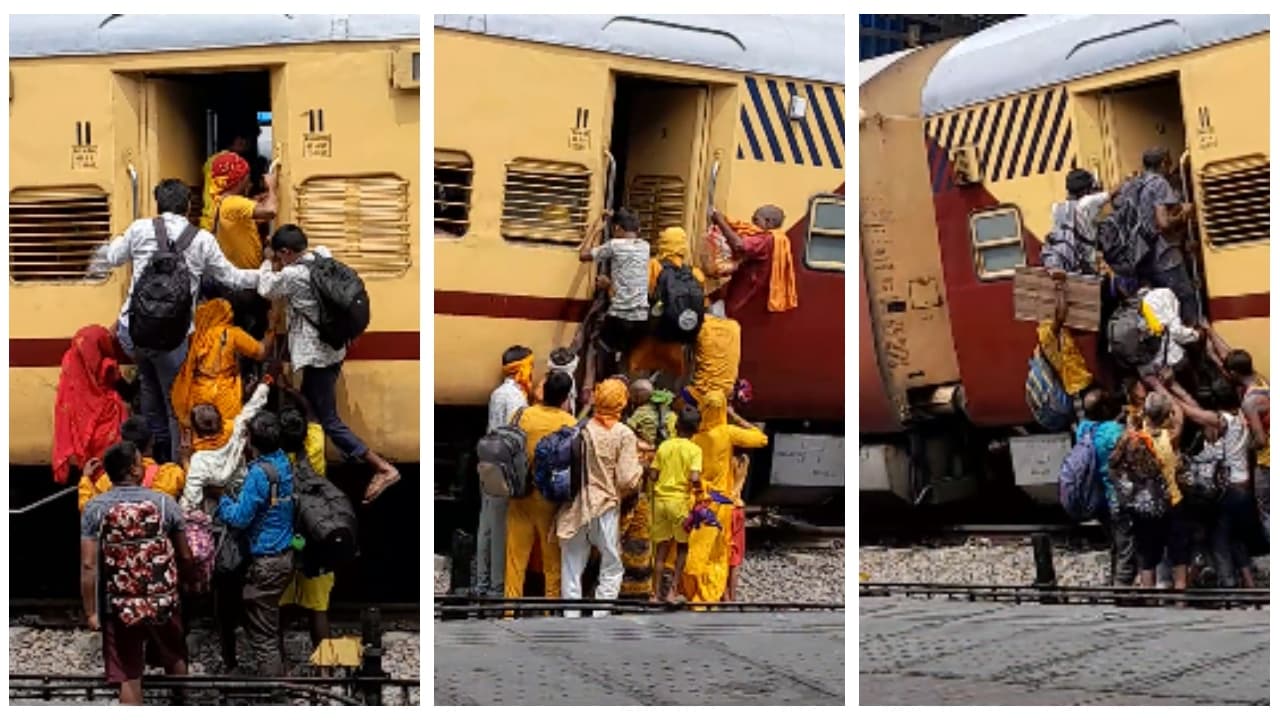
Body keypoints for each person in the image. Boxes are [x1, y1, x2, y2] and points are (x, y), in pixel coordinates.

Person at [88, 179, 260, 463]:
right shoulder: (202, 239)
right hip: (174, 339)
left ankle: (153, 464)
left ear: (158, 204)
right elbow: (232, 277)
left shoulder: (140, 228)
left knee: (149, 396)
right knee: (176, 406)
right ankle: (173, 467)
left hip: (137, 334)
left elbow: (113, 257)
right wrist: (265, 274)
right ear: (188, 206)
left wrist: (116, 244)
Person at [257, 224, 400, 503]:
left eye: (279, 254)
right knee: (308, 407)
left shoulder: (294, 275)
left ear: (286, 252)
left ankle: (381, 467)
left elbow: (265, 287)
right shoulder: (322, 256)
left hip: (317, 355)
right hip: (334, 349)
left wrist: (266, 261)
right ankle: (306, 469)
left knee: (328, 419)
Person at [80, 441, 193, 705]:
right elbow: (185, 554)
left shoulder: (95, 509)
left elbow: (88, 565)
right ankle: (181, 704)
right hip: (162, 598)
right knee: (174, 655)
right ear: (132, 470)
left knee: (129, 671)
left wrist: (91, 611)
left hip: (120, 604)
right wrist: (184, 585)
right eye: (140, 461)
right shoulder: (165, 503)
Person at [207, 411, 294, 676]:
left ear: (251, 441)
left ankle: (275, 695)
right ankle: (279, 677)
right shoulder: (282, 462)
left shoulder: (258, 474)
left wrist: (220, 498)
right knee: (268, 622)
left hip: (265, 561)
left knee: (264, 637)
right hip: (285, 554)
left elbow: (240, 518)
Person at [555, 378, 644, 616]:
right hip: (605, 508)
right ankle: (600, 616)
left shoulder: (581, 427)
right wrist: (640, 470)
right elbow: (627, 480)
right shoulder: (623, 434)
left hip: (575, 506)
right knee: (612, 566)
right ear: (621, 403)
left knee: (572, 568)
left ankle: (570, 618)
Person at [1164, 380, 1255, 588]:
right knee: (1236, 540)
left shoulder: (1223, 422)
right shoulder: (1240, 416)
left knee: (1218, 539)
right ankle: (1250, 587)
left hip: (1229, 490)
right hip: (1243, 488)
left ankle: (1228, 586)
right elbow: (1195, 407)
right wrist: (1173, 386)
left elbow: (1191, 410)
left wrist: (1165, 392)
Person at [683, 390, 768, 604]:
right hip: (721, 504)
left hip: (698, 500)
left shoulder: (695, 438)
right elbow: (761, 438)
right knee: (716, 552)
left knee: (697, 548)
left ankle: (692, 590)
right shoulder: (727, 432)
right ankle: (709, 595)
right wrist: (734, 416)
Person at [506, 370, 577, 599]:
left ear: (542, 392)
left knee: (515, 559)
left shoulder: (520, 415)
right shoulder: (569, 423)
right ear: (566, 398)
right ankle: (550, 608)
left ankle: (508, 608)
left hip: (520, 494)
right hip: (550, 500)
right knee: (552, 561)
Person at [170, 299, 272, 443]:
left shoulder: (195, 336)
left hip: (198, 393)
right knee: (227, 435)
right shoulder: (232, 334)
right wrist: (272, 332)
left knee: (201, 434)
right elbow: (261, 352)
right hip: (225, 394)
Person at [476, 345, 533, 598]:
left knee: (486, 525)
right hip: (504, 467)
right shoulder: (516, 398)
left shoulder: (498, 393)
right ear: (521, 368)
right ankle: (497, 588)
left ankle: (482, 583)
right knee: (500, 528)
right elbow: (515, 438)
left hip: (487, 461)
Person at [277, 403, 336, 649]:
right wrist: (294, 394)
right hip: (315, 538)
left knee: (278, 607)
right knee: (318, 609)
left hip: (286, 538)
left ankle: (281, 668)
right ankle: (323, 671)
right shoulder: (315, 445)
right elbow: (312, 414)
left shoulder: (277, 462)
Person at [1207, 332, 1269, 542]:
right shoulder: (1263, 382)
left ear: (1233, 373)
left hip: (1267, 463)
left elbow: (1261, 440)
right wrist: (1211, 334)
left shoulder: (1249, 402)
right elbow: (1230, 356)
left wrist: (1244, 442)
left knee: (1268, 513)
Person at [629, 226, 708, 382]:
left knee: (639, 387)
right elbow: (702, 308)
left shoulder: (652, 267)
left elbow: (634, 295)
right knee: (666, 391)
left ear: (663, 243)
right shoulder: (696, 274)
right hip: (676, 344)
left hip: (649, 339)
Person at [55, 325, 131, 486]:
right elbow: (129, 393)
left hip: (82, 434)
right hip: (107, 428)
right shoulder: (107, 365)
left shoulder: (70, 363)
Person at [181, 381, 271, 513]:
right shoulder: (236, 430)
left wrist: (185, 460)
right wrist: (265, 384)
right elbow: (253, 407)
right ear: (222, 422)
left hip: (217, 508)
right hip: (242, 492)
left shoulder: (198, 460)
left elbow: (191, 500)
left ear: (197, 433)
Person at [1134, 147, 1199, 324]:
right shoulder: (1159, 183)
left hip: (1145, 257)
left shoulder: (1138, 183)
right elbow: (1163, 223)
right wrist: (1184, 212)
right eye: (1169, 163)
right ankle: (1192, 344)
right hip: (1165, 256)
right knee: (1185, 300)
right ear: (1163, 163)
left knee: (1162, 308)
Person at [578, 208, 650, 362]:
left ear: (617, 228)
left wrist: (596, 229)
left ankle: (591, 385)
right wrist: (610, 283)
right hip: (641, 319)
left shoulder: (614, 245)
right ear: (638, 230)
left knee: (594, 345)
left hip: (620, 317)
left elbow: (583, 255)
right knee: (626, 357)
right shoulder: (645, 246)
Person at [1077, 388, 1133, 585]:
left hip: (1096, 497)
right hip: (1115, 496)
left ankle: (1113, 579)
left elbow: (1103, 429)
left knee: (1115, 541)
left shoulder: (1083, 429)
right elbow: (1126, 440)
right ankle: (1122, 587)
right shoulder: (1115, 431)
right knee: (1126, 543)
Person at [650, 406, 704, 602]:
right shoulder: (695, 450)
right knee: (682, 546)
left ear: (677, 425)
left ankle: (654, 594)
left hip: (660, 501)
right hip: (679, 502)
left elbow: (654, 474)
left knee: (661, 549)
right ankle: (672, 591)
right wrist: (699, 491)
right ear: (697, 428)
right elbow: (695, 476)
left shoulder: (664, 446)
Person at [81, 417, 187, 512]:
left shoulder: (107, 480)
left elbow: (88, 509)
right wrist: (186, 459)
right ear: (152, 440)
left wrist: (85, 480)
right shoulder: (171, 474)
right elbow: (193, 486)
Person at [709, 205, 798, 317]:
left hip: (740, 303)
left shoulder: (767, 240)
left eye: (756, 220)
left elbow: (739, 245)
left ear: (768, 222)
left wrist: (720, 221)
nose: (752, 223)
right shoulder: (779, 240)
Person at [1043, 169, 1117, 274]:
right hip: (1083, 264)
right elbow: (1113, 192)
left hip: (1064, 261)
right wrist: (1129, 179)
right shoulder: (1086, 203)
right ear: (1086, 190)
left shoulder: (1057, 208)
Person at [200, 126, 258, 232]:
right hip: (221, 220)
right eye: (248, 140)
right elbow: (231, 193)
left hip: (209, 218)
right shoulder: (230, 163)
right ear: (239, 140)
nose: (249, 144)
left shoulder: (213, 160)